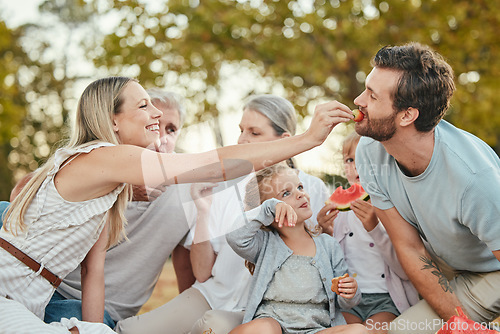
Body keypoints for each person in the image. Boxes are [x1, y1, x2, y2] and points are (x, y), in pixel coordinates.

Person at [0, 76, 354, 333]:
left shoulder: (110, 186)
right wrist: (308, 139)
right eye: (144, 105)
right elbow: (216, 164)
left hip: (28, 296)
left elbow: (95, 273)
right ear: (112, 121)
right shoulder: (103, 156)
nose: (155, 113)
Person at [114, 94, 332, 334]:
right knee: (128, 331)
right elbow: (202, 272)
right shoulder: (223, 184)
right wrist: (203, 212)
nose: (242, 140)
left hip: (264, 308)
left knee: (212, 326)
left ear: (285, 140)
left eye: (254, 133)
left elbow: (321, 255)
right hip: (211, 295)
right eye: (241, 130)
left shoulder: (311, 189)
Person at [351, 43, 500, 333]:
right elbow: (408, 246)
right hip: (446, 264)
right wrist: (461, 324)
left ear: (407, 115)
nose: (358, 100)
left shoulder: (475, 180)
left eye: (372, 95)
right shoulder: (369, 151)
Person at [44, 88, 197, 328]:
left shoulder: (190, 189)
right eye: (154, 125)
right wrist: (122, 189)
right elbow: (21, 193)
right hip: (49, 288)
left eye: (172, 129)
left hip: (102, 311)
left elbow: (187, 268)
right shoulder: (101, 161)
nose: (162, 137)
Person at [226, 163, 367, 334]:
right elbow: (234, 236)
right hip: (274, 325)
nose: (300, 194)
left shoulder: (327, 244)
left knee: (359, 331)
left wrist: (350, 292)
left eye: (300, 187)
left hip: (316, 329)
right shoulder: (264, 244)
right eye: (286, 193)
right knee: (261, 329)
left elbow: (345, 301)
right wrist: (269, 207)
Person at [318, 131, 418, 333]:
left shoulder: (396, 209)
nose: (356, 166)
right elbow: (326, 265)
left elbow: (404, 270)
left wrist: (374, 228)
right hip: (347, 300)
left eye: (364, 158)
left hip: (385, 300)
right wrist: (324, 232)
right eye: (350, 159)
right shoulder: (337, 213)